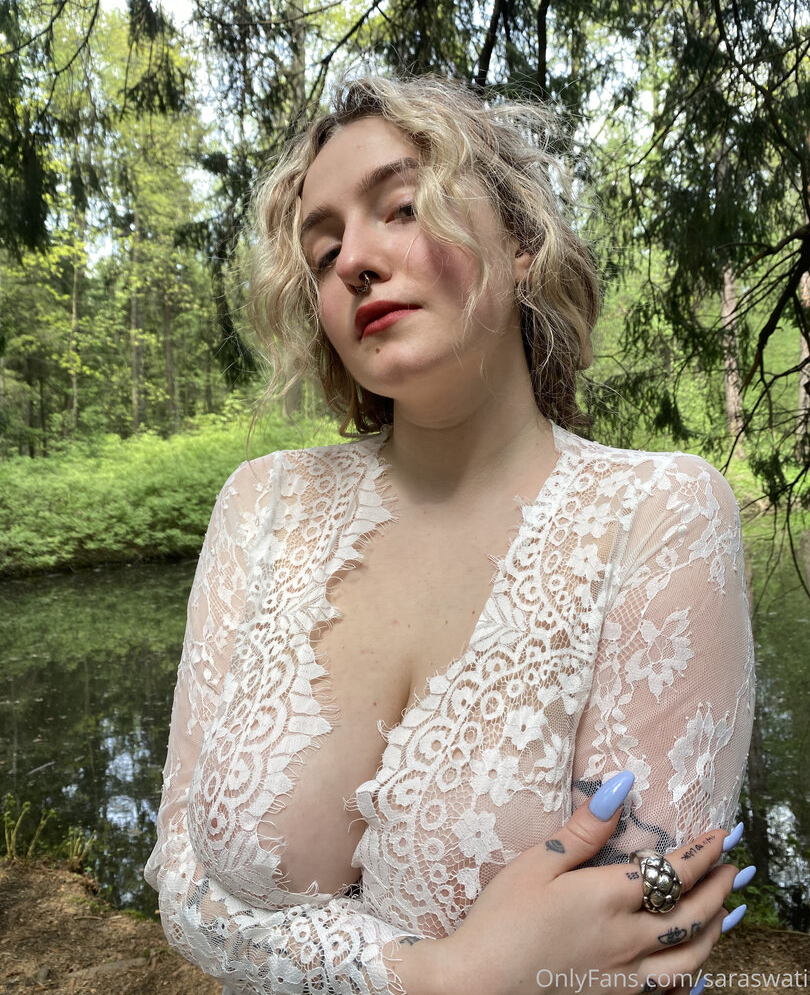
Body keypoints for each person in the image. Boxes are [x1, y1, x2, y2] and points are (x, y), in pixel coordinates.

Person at [144, 74, 756, 995]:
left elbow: (645, 946)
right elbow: (180, 883)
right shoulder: (261, 505)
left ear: (520, 243)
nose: (354, 259)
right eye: (323, 250)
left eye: (402, 206)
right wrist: (440, 976)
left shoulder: (660, 515)